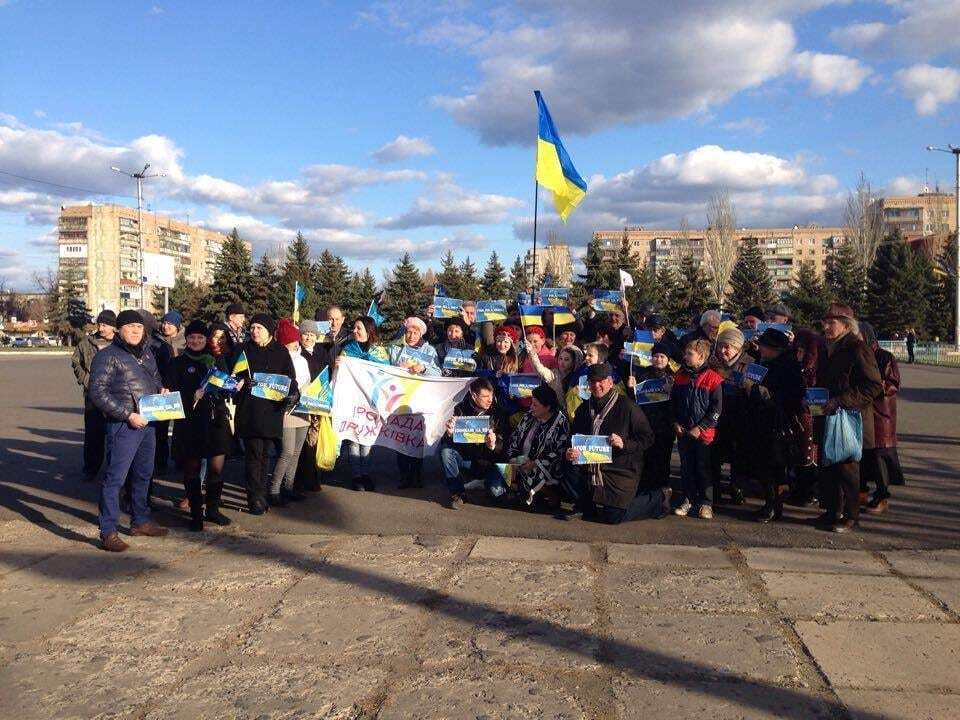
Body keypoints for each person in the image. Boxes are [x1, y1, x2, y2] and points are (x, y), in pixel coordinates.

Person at [88, 309, 169, 551]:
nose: (135, 331)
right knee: (115, 479)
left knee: (143, 475)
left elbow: (154, 381)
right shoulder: (108, 356)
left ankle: (140, 521)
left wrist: (161, 391)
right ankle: (108, 531)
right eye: (130, 326)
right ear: (119, 329)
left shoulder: (146, 354)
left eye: (139, 327)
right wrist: (128, 415)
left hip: (148, 424)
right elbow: (97, 393)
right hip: (123, 426)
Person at [815, 304, 883, 533]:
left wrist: (841, 400)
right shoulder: (827, 348)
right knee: (828, 465)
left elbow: (873, 385)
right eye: (825, 321)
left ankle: (851, 516)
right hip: (828, 413)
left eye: (831, 322)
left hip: (851, 418)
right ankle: (832, 510)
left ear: (846, 325)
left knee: (848, 469)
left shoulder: (857, 348)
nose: (825, 326)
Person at [165, 320, 235, 530]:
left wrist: (231, 386)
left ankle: (212, 510)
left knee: (216, 469)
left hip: (215, 420)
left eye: (200, 338)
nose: (196, 341)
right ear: (186, 339)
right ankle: (196, 513)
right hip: (189, 423)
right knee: (192, 469)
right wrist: (190, 396)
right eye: (192, 337)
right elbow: (170, 395)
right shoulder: (177, 363)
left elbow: (225, 387)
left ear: (206, 339)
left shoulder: (215, 360)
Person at [565, 362, 657, 524]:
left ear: (610, 382)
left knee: (613, 517)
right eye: (592, 381)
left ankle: (658, 498)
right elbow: (573, 437)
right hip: (590, 468)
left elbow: (647, 438)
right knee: (566, 465)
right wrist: (570, 451)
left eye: (601, 381)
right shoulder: (583, 409)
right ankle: (585, 505)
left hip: (620, 470)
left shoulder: (628, 406)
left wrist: (624, 444)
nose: (596, 385)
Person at [233, 313, 298, 515]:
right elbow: (232, 376)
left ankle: (261, 493)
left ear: (269, 330)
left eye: (259, 328)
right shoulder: (243, 350)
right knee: (253, 454)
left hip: (271, 411)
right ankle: (255, 497)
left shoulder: (280, 352)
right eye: (252, 328)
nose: (254, 331)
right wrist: (241, 383)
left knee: (265, 454)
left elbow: (290, 379)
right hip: (250, 410)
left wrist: (294, 394)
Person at [745, 328, 805, 522]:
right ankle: (770, 504)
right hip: (765, 420)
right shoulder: (771, 362)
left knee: (773, 466)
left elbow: (782, 396)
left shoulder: (785, 366)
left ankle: (773, 506)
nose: (760, 349)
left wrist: (754, 389)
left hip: (777, 422)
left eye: (763, 346)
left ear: (774, 348)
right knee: (766, 465)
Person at [670, 338, 723, 519]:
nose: (685, 357)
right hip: (683, 431)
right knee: (687, 467)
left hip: (704, 434)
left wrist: (701, 427)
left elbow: (716, 409)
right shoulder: (680, 375)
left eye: (689, 354)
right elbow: (674, 402)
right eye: (686, 353)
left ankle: (706, 502)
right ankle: (688, 498)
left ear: (701, 357)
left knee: (703, 468)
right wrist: (675, 422)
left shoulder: (713, 378)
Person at [440, 377, 511, 509]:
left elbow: (506, 447)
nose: (490, 399)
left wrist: (494, 445)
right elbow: (449, 443)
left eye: (492, 395)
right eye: (485, 396)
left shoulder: (499, 413)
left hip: (491, 462)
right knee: (446, 451)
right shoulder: (459, 409)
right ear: (473, 395)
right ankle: (458, 494)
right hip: (469, 460)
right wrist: (449, 434)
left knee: (497, 495)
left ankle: (487, 483)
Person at [267, 318, 314, 506]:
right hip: (287, 410)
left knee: (296, 451)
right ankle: (274, 489)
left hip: (303, 409)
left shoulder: (302, 360)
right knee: (286, 451)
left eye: (295, 343)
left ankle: (289, 486)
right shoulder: (279, 359)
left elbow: (309, 380)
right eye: (290, 344)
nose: (294, 346)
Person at [389, 316, 441, 488]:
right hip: (400, 398)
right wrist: (398, 368)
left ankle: (416, 475)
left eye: (415, 332)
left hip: (420, 400)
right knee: (402, 437)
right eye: (409, 332)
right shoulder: (396, 349)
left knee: (416, 439)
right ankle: (404, 476)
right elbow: (386, 367)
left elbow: (438, 373)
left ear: (421, 334)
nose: (411, 335)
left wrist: (424, 368)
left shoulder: (429, 351)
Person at [858, 322, 904, 514]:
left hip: (879, 414)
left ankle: (882, 496)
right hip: (861, 412)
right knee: (860, 455)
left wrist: (872, 388)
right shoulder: (856, 355)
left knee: (879, 457)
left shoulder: (884, 356)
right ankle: (861, 491)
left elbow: (892, 384)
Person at [340, 316, 390, 490]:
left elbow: (386, 371)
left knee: (367, 438)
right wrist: (339, 365)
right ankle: (356, 476)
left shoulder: (379, 351)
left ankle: (366, 473)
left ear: (369, 331)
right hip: (352, 400)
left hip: (372, 401)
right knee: (353, 438)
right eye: (354, 328)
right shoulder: (347, 349)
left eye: (358, 328)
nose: (354, 331)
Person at [502, 384, 569, 506]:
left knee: (531, 475)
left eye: (535, 405)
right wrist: (513, 459)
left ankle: (546, 493)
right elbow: (515, 438)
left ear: (547, 407)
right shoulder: (528, 416)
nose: (531, 407)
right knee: (498, 482)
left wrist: (534, 463)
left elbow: (558, 451)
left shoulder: (561, 422)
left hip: (544, 467)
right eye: (531, 404)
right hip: (521, 461)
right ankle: (523, 491)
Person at [72, 309, 117, 482]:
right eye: (99, 324)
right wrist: (85, 379)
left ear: (114, 327)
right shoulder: (86, 342)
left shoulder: (121, 343)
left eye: (105, 324)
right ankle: (90, 468)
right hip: (93, 395)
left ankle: (115, 470)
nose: (101, 327)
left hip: (116, 394)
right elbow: (76, 362)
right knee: (93, 433)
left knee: (116, 434)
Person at [708, 327, 751, 505]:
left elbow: (757, 390)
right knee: (714, 454)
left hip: (740, 415)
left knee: (739, 456)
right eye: (721, 346)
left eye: (728, 347)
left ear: (738, 348)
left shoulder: (749, 363)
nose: (723, 351)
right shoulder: (713, 362)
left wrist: (746, 385)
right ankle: (714, 488)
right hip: (717, 415)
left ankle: (737, 487)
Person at [628, 342, 676, 494]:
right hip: (646, 424)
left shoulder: (673, 377)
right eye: (656, 356)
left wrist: (673, 390)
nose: (659, 360)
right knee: (645, 458)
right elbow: (634, 401)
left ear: (668, 359)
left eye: (662, 357)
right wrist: (631, 388)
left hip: (665, 426)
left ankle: (662, 491)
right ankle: (644, 491)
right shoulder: (642, 375)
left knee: (662, 460)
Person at [293, 319, 333, 493]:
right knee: (299, 445)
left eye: (311, 334)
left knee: (313, 443)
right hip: (300, 404)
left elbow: (328, 373)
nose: (308, 337)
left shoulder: (321, 352)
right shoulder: (297, 352)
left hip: (317, 404)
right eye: (305, 334)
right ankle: (297, 479)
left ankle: (314, 479)